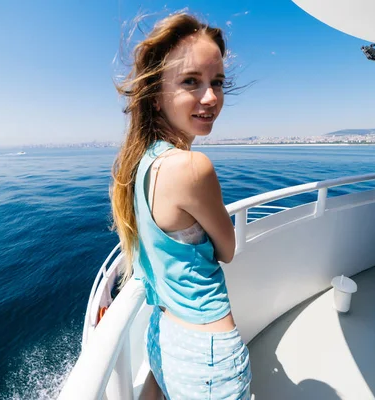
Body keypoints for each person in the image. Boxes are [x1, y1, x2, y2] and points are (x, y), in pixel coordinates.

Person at [110, 11, 251, 400]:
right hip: (207, 356)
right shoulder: (192, 167)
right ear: (156, 95)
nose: (211, 97)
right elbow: (228, 249)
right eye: (192, 81)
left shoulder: (141, 165)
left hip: (164, 337)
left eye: (217, 82)